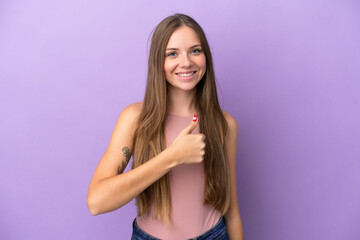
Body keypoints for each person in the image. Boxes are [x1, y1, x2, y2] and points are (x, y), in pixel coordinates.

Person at [87, 13, 244, 240]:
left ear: (205, 57)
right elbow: (96, 202)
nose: (186, 62)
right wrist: (173, 156)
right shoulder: (135, 118)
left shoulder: (225, 125)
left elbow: (232, 212)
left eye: (195, 50)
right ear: (158, 62)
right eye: (172, 54)